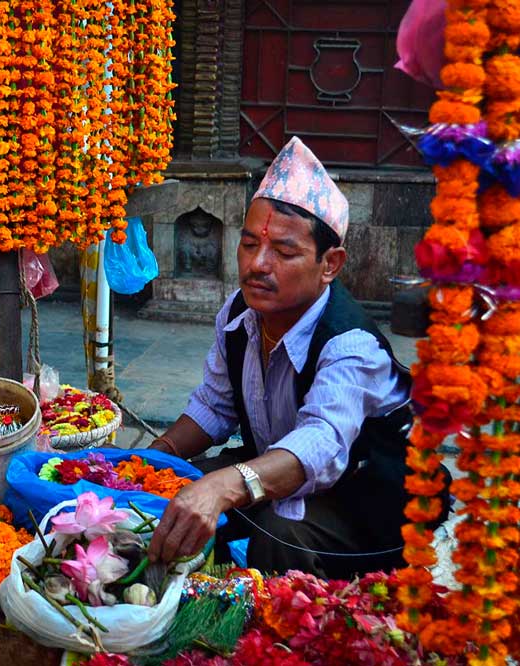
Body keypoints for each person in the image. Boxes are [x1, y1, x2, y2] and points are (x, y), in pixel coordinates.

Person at [146, 137, 449, 579]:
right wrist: (152, 458)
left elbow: (320, 444)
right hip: (273, 471)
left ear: (331, 264)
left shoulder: (349, 345)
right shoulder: (239, 312)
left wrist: (225, 485)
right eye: (249, 245)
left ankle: (272, 634)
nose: (258, 265)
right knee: (168, 494)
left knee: (279, 534)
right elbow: (214, 407)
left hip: (367, 506)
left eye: (284, 252)